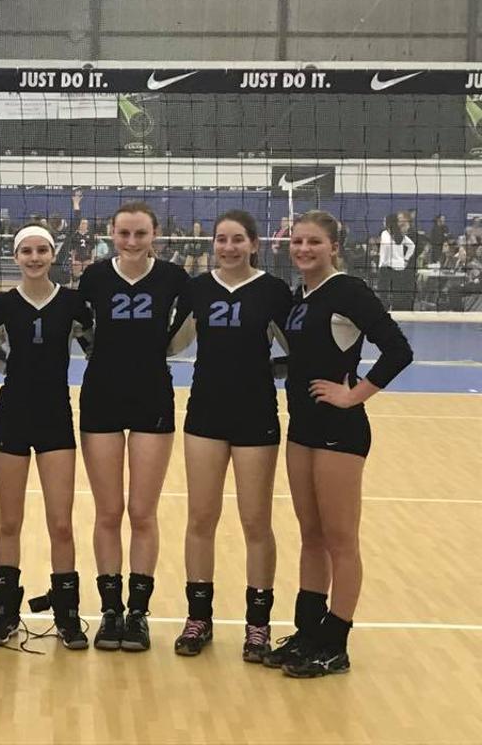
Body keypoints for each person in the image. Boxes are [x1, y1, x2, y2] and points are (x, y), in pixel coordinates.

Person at [266, 209, 412, 678]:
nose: (304, 249)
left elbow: (399, 349)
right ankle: (308, 633)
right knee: (311, 535)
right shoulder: (299, 297)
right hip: (302, 428)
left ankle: (335, 644)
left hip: (340, 431)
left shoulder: (348, 290)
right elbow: (306, 357)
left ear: (334, 246)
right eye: (298, 241)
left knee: (340, 539)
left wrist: (354, 394)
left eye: (314, 242)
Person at [168, 210, 292, 661]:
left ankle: (257, 626)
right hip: (206, 412)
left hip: (255, 414)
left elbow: (299, 349)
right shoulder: (198, 289)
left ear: (254, 244)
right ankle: (198, 618)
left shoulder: (273, 291)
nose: (228, 247)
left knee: (255, 521)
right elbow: (171, 342)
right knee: (201, 518)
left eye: (237, 239)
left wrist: (267, 372)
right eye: (221, 239)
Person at [0, 224, 93, 649]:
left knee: (61, 523)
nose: (35, 257)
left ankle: (68, 615)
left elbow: (97, 350)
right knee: (9, 520)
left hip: (55, 416)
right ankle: (6, 613)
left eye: (42, 250)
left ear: (52, 254)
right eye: (27, 251)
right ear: (16, 256)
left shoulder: (73, 304)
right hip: (12, 415)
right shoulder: (3, 305)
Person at [77, 200, 189, 651]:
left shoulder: (173, 278)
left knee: (142, 512)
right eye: (124, 233)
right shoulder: (95, 277)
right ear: (112, 233)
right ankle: (110, 611)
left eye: (140, 233)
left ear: (154, 234)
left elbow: (188, 324)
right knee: (108, 512)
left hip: (152, 397)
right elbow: (81, 327)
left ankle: (138, 613)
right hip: (101, 397)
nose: (132, 241)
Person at [377, 212, 415, 310]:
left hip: (386, 266)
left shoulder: (385, 233)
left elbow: (386, 246)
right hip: (399, 266)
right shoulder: (400, 234)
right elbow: (412, 246)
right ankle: (396, 310)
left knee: (383, 291)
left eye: (384, 221)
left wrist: (384, 260)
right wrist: (405, 259)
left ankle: (385, 309)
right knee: (397, 291)